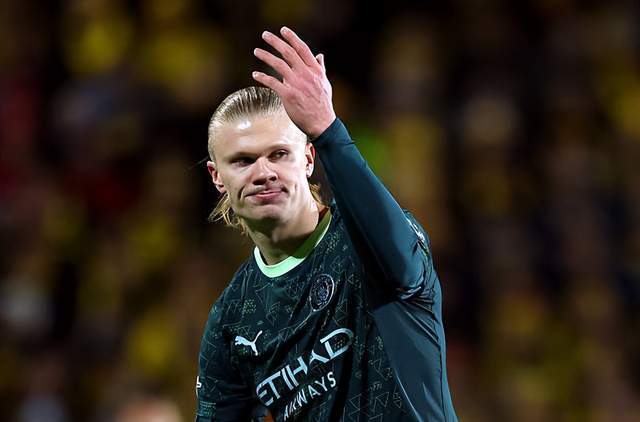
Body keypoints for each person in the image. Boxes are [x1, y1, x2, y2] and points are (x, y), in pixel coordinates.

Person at [196, 26, 457, 421]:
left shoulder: (368, 245)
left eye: (279, 154)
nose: (264, 172)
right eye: (243, 161)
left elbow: (402, 265)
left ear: (308, 159)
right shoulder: (231, 320)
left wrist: (328, 129)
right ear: (218, 177)